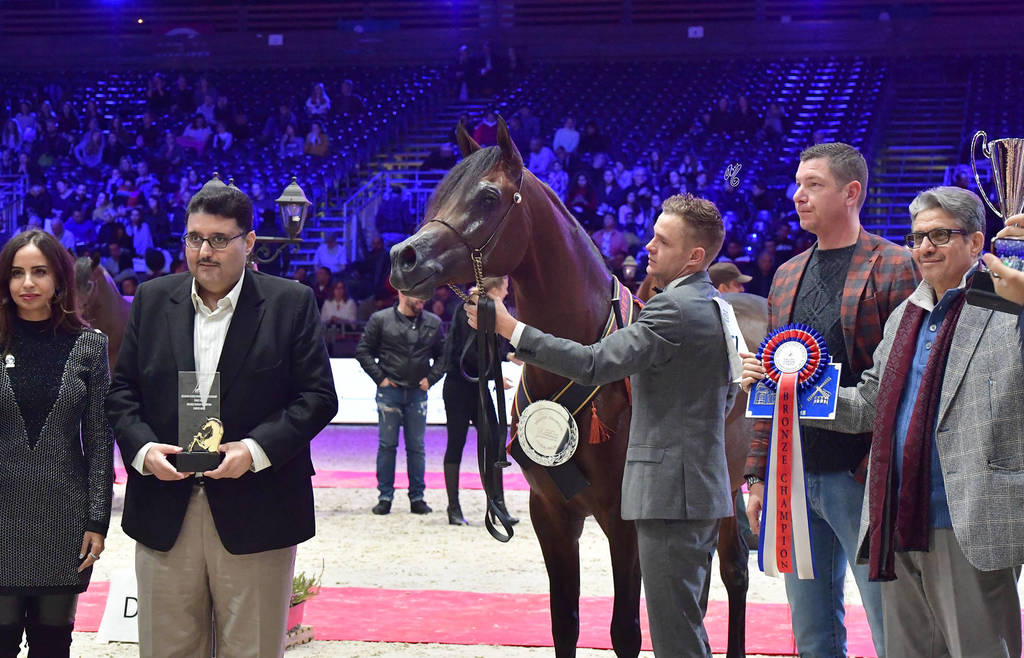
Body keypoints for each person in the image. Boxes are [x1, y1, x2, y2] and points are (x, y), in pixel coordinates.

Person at [743, 190, 1024, 656]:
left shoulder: (1006, 309)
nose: (925, 248)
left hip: (970, 517)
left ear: (977, 243)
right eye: (917, 237)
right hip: (895, 517)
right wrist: (779, 393)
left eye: (940, 235)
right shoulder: (905, 316)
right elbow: (871, 404)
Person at [467, 194, 735, 657]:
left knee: (676, 636)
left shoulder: (671, 309)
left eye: (661, 241)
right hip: (698, 488)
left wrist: (512, 328)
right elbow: (729, 393)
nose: (647, 247)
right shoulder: (716, 306)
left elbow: (593, 363)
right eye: (652, 236)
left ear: (695, 256)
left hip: (671, 494)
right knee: (684, 624)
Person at [105, 184, 338, 657]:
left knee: (250, 648)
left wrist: (252, 452)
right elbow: (122, 391)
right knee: (167, 648)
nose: (203, 251)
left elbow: (317, 397)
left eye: (218, 239)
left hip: (259, 504)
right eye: (194, 238)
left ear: (249, 242)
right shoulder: (151, 300)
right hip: (165, 505)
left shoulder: (290, 303)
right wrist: (145, 451)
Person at [742, 142, 919, 658]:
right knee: (813, 634)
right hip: (791, 475)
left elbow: (906, 382)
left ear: (852, 192)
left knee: (893, 625)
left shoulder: (895, 266)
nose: (797, 195)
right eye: (797, 184)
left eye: (813, 184)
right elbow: (770, 388)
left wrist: (887, 469)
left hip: (863, 477)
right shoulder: (785, 275)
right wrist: (757, 473)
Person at [0, 230, 112, 657]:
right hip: (1, 517)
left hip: (63, 521)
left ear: (60, 280)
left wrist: (97, 521)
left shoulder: (89, 345)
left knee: (52, 645)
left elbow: (101, 441)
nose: (27, 283)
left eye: (39, 272)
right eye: (17, 273)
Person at [356, 291, 445, 516]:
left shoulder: (433, 322)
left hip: (415, 391)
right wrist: (381, 378)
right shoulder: (380, 319)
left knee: (416, 448)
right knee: (388, 446)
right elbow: (362, 351)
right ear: (402, 293)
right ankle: (385, 496)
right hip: (391, 390)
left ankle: (417, 497)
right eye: (418, 296)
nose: (422, 301)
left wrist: (431, 379)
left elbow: (445, 355)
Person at [440, 277, 515, 526]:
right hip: (459, 387)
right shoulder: (470, 309)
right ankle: (453, 507)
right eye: (505, 284)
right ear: (496, 288)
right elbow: (467, 353)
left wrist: (512, 355)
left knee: (494, 441)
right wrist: (495, 372)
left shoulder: (492, 312)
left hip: (479, 387)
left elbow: (494, 348)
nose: (508, 288)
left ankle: (498, 504)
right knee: (457, 443)